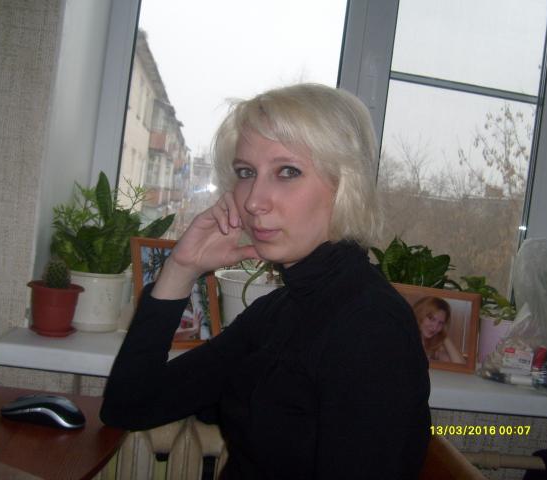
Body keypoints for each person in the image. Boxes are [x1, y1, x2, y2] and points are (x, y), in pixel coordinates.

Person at [100, 83, 431, 479]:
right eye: (246, 173)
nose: (253, 200)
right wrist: (181, 268)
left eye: (287, 171)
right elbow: (129, 405)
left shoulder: (371, 327)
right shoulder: (279, 310)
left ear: (345, 185)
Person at [413, 296, 464, 364]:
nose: (435, 327)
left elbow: (460, 365)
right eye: (431, 319)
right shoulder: (403, 338)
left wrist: (444, 335)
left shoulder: (435, 348)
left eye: (440, 323)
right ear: (419, 314)